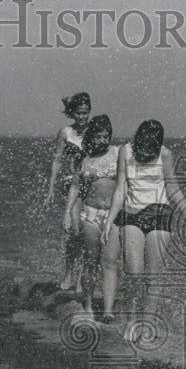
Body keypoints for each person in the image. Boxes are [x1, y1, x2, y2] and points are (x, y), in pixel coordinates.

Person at [101, 119, 186, 338]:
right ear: (137, 140)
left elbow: (172, 186)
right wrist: (109, 221)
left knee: (154, 275)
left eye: (151, 148)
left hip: (160, 213)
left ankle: (147, 325)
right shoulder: (125, 152)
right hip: (132, 214)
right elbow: (121, 188)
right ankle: (131, 321)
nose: (147, 152)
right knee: (134, 273)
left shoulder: (165, 154)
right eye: (143, 147)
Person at [64, 115, 120, 321]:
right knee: (91, 261)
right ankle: (87, 304)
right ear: (91, 137)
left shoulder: (118, 153)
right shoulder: (85, 159)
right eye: (98, 137)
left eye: (106, 136)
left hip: (112, 215)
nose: (102, 141)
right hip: (91, 213)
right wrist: (69, 213)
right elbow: (76, 188)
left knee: (110, 262)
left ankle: (107, 310)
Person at [45, 92, 91, 291]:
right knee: (74, 230)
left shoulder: (94, 130)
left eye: (86, 113)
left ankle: (80, 277)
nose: (82, 117)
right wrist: (50, 189)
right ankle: (68, 273)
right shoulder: (65, 133)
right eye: (79, 113)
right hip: (70, 183)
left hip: (89, 185)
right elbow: (57, 160)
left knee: (85, 232)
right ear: (73, 113)